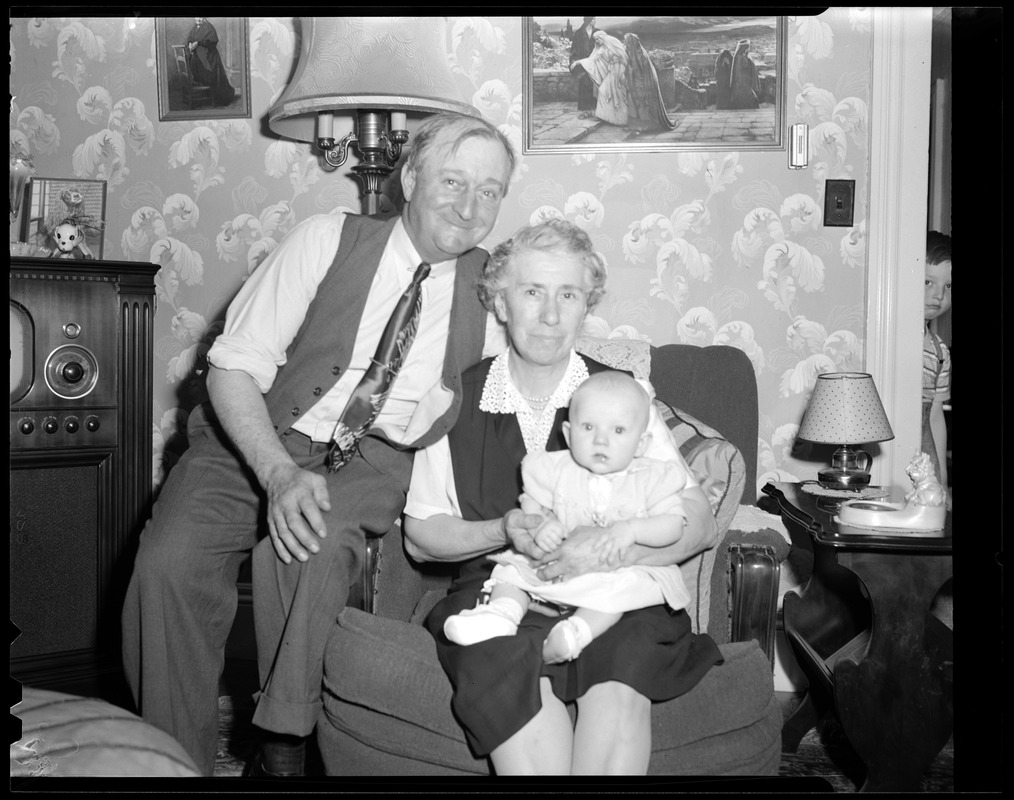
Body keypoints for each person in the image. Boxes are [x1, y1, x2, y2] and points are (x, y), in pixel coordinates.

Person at [120, 111, 516, 777]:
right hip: (253, 438)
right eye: (452, 180)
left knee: (308, 546)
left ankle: (283, 744)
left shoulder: (492, 286)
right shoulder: (325, 239)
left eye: (489, 189)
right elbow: (234, 367)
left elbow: (559, 366)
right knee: (167, 566)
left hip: (371, 458)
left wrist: (682, 434)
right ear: (410, 176)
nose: (469, 204)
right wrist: (275, 472)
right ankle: (172, 760)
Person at [402, 218, 723, 774]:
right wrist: (504, 531)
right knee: (506, 672)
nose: (551, 315)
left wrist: (610, 548)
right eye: (532, 293)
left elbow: (696, 521)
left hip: (617, 595)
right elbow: (422, 539)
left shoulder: (624, 397)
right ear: (501, 304)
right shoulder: (452, 398)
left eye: (568, 295)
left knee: (623, 671)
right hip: (500, 591)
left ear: (585, 305)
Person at [442, 370, 694, 666]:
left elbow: (673, 525)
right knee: (512, 572)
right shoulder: (556, 469)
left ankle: (575, 633)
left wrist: (632, 530)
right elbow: (534, 506)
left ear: (641, 444)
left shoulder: (653, 477)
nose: (601, 440)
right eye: (588, 427)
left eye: (618, 431)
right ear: (568, 433)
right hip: (558, 565)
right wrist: (544, 525)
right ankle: (501, 614)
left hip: (618, 568)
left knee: (620, 592)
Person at [922, 230, 952, 491]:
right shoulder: (891, 342)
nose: (939, 295)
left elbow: (935, 417)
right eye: (928, 282)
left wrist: (940, 480)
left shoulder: (939, 352)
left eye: (949, 286)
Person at [572, 30, 630, 127]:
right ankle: (604, 116)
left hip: (619, 71)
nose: (597, 42)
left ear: (602, 36)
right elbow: (592, 59)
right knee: (603, 90)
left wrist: (619, 64)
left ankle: (619, 118)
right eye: (595, 40)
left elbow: (624, 56)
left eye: (598, 39)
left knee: (616, 92)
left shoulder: (613, 42)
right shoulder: (601, 48)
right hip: (611, 72)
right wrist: (578, 62)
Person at [623, 33, 676, 132]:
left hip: (642, 83)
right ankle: (641, 125)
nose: (625, 44)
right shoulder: (635, 52)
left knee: (642, 103)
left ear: (631, 43)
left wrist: (630, 71)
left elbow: (637, 70)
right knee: (638, 103)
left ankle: (646, 125)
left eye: (626, 42)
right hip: (639, 81)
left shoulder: (639, 54)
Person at [186, 17, 238, 105]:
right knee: (197, 68)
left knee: (211, 73)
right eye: (196, 17)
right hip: (199, 57)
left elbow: (212, 42)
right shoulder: (195, 28)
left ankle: (218, 97)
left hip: (210, 58)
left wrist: (198, 43)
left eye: (200, 17)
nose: (198, 19)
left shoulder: (208, 27)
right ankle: (206, 93)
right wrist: (190, 43)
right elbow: (190, 38)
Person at [569, 17, 598, 120]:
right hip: (582, 64)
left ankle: (594, 110)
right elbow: (574, 50)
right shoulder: (579, 34)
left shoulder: (597, 32)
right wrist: (574, 61)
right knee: (583, 86)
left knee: (594, 87)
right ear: (588, 20)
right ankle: (583, 111)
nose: (595, 20)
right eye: (593, 18)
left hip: (594, 64)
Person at [729, 39, 760, 109]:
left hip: (746, 83)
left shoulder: (743, 56)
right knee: (752, 100)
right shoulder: (740, 58)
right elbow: (739, 72)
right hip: (742, 84)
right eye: (748, 47)